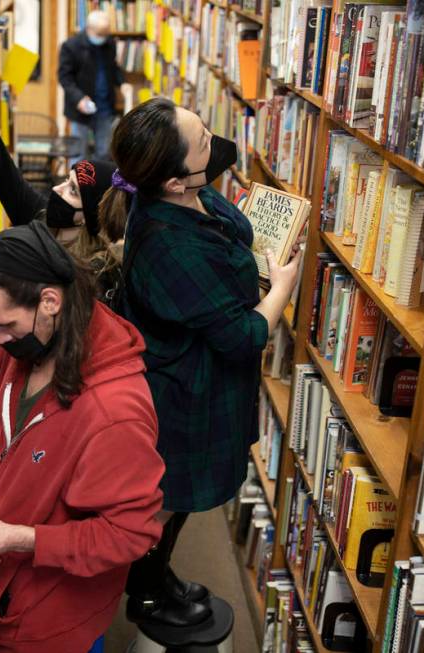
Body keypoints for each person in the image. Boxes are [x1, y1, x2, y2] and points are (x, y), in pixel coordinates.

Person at [98, 97, 303, 627]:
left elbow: (233, 227)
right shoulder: (169, 243)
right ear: (173, 182)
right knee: (166, 497)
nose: (213, 141)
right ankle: (143, 583)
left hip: (199, 378)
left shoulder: (186, 190)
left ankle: (152, 574)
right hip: (183, 392)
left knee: (175, 497)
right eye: (203, 140)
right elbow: (242, 336)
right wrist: (283, 287)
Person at [0, 221, 166, 653]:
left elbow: (130, 534)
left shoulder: (115, 412)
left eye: (6, 325)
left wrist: (19, 538)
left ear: (50, 301)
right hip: (5, 596)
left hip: (52, 621)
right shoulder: (29, 346)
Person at [0, 65, 123, 297]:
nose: (55, 188)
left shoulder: (98, 276)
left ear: (89, 216)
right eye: (66, 181)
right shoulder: (41, 217)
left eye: (72, 190)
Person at [58, 10, 131, 163]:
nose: (103, 38)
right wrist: (78, 99)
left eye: (106, 33)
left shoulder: (109, 43)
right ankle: (78, 187)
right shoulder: (71, 46)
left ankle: (98, 187)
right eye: (100, 34)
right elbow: (65, 77)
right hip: (80, 109)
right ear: (89, 29)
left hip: (105, 108)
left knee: (104, 155)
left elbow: (113, 67)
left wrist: (122, 83)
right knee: (79, 157)